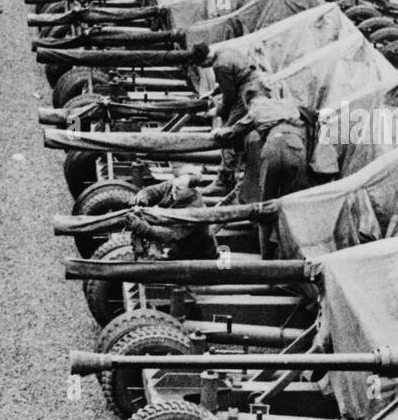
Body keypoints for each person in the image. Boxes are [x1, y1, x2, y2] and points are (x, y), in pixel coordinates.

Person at [212, 91, 309, 255]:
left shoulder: (256, 109)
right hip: (298, 147)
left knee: (265, 207)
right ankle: (289, 254)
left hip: (273, 147)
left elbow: (234, 131)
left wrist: (217, 132)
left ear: (249, 102)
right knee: (290, 204)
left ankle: (267, 257)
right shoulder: (287, 104)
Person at [191, 44, 269, 192]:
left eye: (202, 64)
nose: (204, 67)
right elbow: (231, 80)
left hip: (247, 90)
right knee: (237, 127)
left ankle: (224, 179)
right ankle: (237, 168)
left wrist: (217, 111)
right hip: (255, 84)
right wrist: (213, 93)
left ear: (206, 58)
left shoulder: (219, 66)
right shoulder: (225, 50)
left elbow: (230, 98)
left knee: (228, 131)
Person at [127, 164, 219, 261]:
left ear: (191, 191)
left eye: (179, 189)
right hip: (178, 248)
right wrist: (142, 197)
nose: (173, 191)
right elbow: (153, 192)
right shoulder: (174, 186)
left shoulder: (195, 210)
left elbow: (171, 234)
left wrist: (144, 229)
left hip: (198, 256)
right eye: (174, 186)